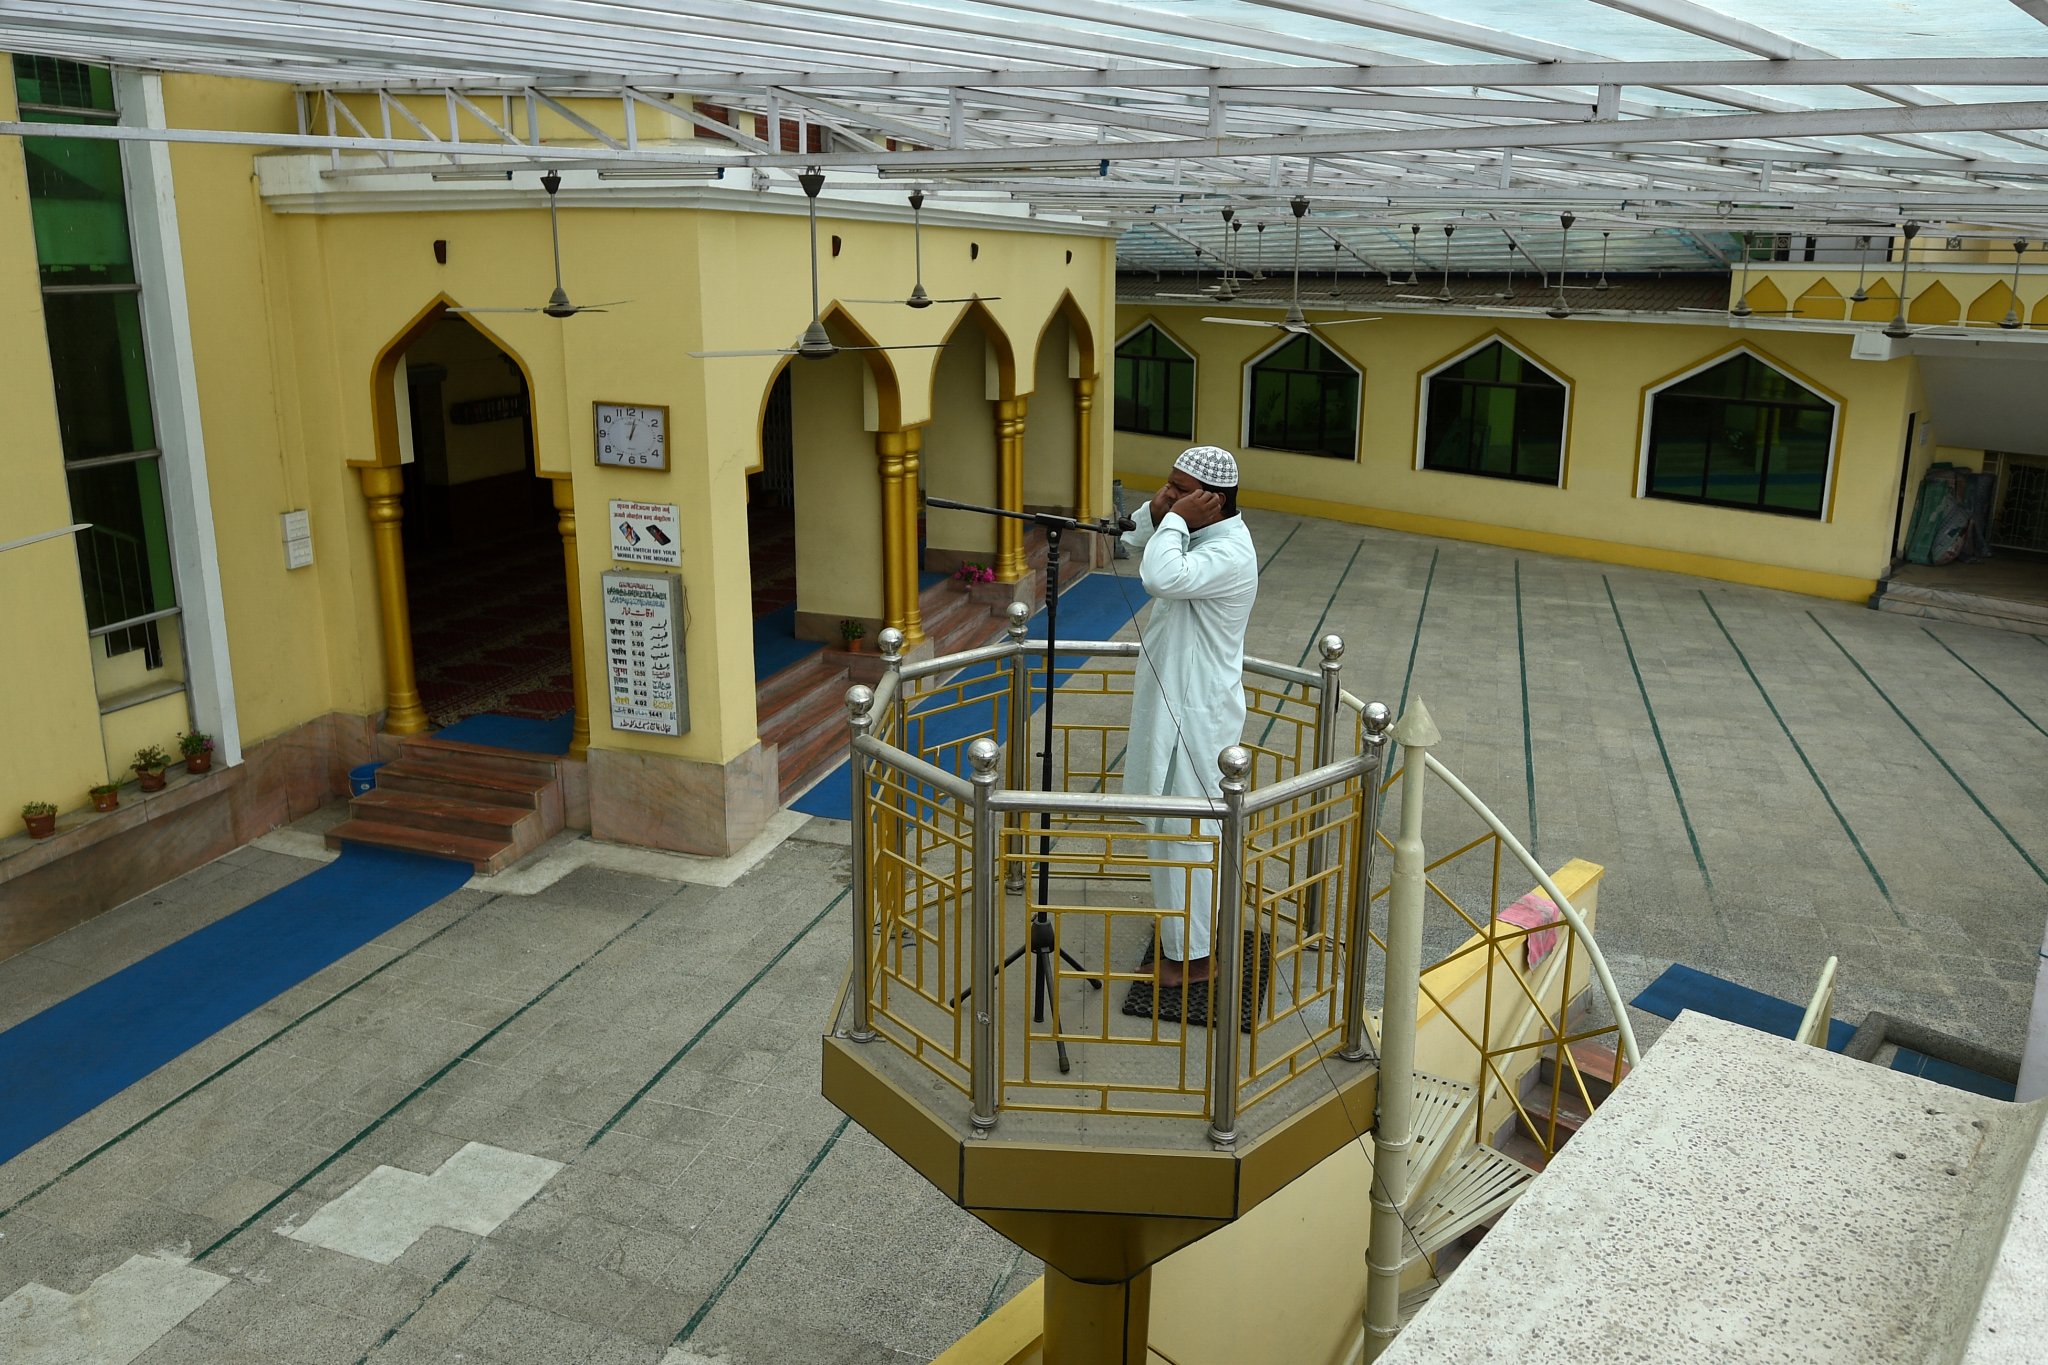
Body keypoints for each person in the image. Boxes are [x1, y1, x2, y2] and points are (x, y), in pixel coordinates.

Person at [1120, 446, 1259, 990]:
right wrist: (1162, 515)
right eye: (1170, 486)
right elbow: (1135, 544)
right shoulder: (1201, 535)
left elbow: (1159, 577)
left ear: (1212, 501)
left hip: (1197, 716)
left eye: (1181, 490)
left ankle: (1194, 960)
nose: (1169, 495)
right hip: (1177, 705)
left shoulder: (1229, 552)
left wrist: (1174, 519)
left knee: (1187, 835)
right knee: (1172, 831)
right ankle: (1184, 944)